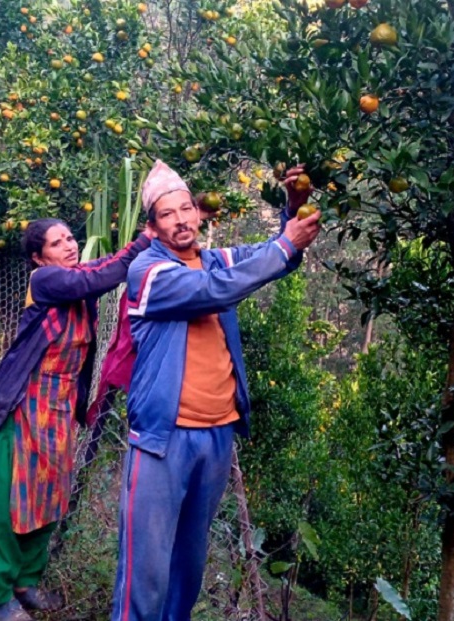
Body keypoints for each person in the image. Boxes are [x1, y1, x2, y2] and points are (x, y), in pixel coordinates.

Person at [111, 160, 321, 621]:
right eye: (168, 214)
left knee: (188, 566)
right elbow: (213, 290)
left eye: (187, 208)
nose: (182, 219)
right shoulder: (148, 273)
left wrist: (293, 208)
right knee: (144, 572)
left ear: (199, 214)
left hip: (216, 437)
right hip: (162, 441)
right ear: (152, 227)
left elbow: (271, 257)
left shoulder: (213, 258)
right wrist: (285, 246)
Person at [0, 218, 152, 621]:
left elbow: (99, 270)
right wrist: (144, 240)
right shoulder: (46, 282)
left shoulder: (78, 281)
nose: (70, 246)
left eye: (71, 237)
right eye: (57, 243)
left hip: (58, 413)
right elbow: (96, 278)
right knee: (6, 504)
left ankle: (25, 582)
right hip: (21, 407)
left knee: (48, 499)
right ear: (39, 257)